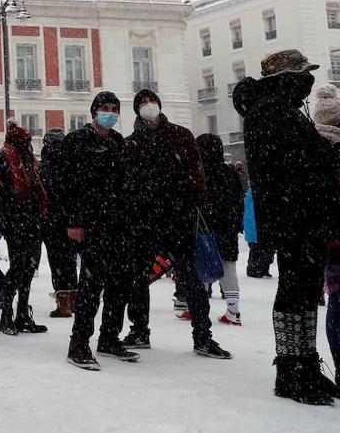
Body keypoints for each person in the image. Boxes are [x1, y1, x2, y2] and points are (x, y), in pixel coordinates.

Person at [232, 50, 340, 405]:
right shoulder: (271, 112)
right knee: (295, 293)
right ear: (288, 78)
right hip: (296, 217)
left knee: (305, 293)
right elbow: (300, 161)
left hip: (299, 216)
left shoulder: (275, 109)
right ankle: (292, 371)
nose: (308, 83)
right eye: (304, 75)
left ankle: (304, 365)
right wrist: (329, 153)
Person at [120, 89, 230, 360]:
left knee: (191, 278)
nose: (148, 106)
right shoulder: (131, 143)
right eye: (142, 103)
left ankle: (203, 335)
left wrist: (194, 204)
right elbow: (128, 182)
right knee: (138, 278)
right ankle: (139, 329)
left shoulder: (181, 135)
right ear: (136, 110)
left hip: (179, 218)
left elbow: (197, 173)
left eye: (151, 101)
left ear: (159, 104)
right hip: (145, 220)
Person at [61, 92, 139, 369]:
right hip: (92, 222)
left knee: (121, 281)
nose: (110, 113)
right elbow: (68, 184)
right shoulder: (78, 141)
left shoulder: (117, 141)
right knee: (92, 284)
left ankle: (109, 336)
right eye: (105, 108)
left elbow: (125, 181)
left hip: (119, 222)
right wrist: (74, 220)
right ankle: (79, 342)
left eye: (114, 109)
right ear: (93, 111)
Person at [0, 123, 49, 335]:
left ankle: (22, 314)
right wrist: (7, 219)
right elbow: (0, 195)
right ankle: (6, 315)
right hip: (16, 222)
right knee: (18, 268)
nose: (28, 145)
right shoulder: (3, 159)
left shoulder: (26, 160)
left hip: (31, 221)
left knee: (28, 269)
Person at [307, 84, 340, 388]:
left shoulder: (310, 145)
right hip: (333, 232)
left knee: (337, 298)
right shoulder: (331, 149)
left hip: (325, 235)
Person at [198, 133, 245, 326]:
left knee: (201, 266)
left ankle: (198, 310)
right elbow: (238, 201)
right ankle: (233, 311)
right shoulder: (229, 173)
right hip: (227, 229)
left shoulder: (198, 173)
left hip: (204, 229)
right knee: (228, 267)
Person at [39, 127, 77, 317]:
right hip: (70, 220)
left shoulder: (42, 165)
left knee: (57, 261)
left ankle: (63, 304)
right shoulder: (71, 164)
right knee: (70, 260)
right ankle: (74, 299)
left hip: (50, 221)